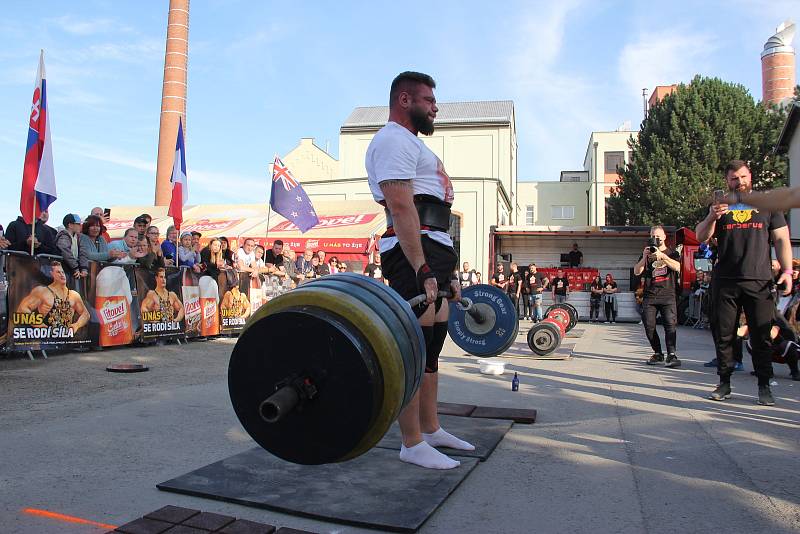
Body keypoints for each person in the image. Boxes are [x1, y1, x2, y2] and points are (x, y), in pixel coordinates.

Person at [365, 71, 473, 470]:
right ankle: (410, 442)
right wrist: (421, 266)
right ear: (405, 100)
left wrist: (449, 270)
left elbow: (439, 216)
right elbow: (401, 207)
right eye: (429, 100)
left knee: (433, 345)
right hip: (414, 249)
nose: (435, 107)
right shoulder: (392, 139)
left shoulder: (411, 144)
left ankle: (430, 428)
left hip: (435, 245)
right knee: (413, 347)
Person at [696, 160, 792, 405]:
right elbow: (701, 238)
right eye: (734, 179)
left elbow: (781, 239)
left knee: (761, 336)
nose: (740, 182)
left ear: (751, 177)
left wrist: (788, 270)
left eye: (743, 177)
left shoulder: (768, 205)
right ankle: (724, 383)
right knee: (725, 335)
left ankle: (764, 386)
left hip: (758, 280)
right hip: (726, 281)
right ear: (727, 182)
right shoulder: (720, 206)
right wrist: (711, 217)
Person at [634, 225, 682, 367]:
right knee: (649, 326)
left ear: (664, 237)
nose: (655, 238)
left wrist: (663, 257)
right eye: (653, 236)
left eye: (658, 236)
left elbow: (678, 267)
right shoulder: (647, 253)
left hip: (668, 294)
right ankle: (658, 353)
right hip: (650, 295)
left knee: (670, 325)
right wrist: (644, 257)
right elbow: (637, 271)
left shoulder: (672, 253)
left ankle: (671, 355)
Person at [16, 260, 90, 332]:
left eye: (63, 272)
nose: (62, 274)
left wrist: (77, 325)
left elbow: (86, 314)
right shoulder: (43, 291)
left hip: (66, 340)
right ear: (52, 274)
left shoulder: (74, 295)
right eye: (58, 272)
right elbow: (22, 309)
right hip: (48, 340)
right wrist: (37, 323)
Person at [55, 214, 89, 279]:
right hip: (62, 270)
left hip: (72, 270)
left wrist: (84, 268)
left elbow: (83, 253)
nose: (80, 226)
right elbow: (66, 253)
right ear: (70, 225)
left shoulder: (78, 237)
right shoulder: (63, 237)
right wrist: (76, 268)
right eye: (78, 224)